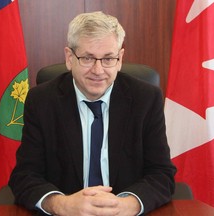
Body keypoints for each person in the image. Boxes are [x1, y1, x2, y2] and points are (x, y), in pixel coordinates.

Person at [9, 11, 176, 215]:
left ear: (120, 58)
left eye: (108, 59)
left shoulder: (146, 99)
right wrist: (62, 205)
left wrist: (127, 205)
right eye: (87, 58)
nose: (98, 70)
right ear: (70, 58)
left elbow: (161, 174)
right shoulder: (42, 101)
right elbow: (25, 175)